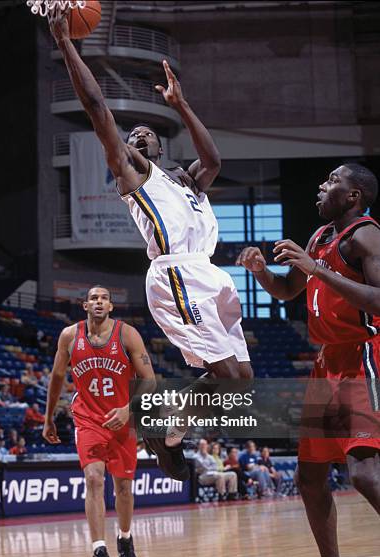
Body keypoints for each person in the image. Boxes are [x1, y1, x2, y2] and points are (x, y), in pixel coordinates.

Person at [48, 9, 252, 481]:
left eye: (147, 133)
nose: (138, 134)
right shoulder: (135, 175)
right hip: (176, 273)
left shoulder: (187, 182)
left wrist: (180, 104)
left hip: (209, 274)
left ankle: (171, 430)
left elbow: (213, 159)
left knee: (242, 386)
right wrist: (66, 44)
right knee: (227, 380)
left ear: (161, 147)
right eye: (132, 135)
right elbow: (99, 110)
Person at [237, 163, 380, 557]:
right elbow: (287, 291)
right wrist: (262, 273)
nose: (322, 186)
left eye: (332, 181)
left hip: (361, 356)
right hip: (325, 365)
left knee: (362, 472)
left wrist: (317, 269)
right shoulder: (320, 238)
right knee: (310, 476)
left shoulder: (367, 235)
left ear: (354, 195)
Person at [43, 286, 155, 557]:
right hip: (88, 418)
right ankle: (99, 553)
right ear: (84, 305)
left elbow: (150, 380)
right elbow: (56, 378)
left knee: (124, 489)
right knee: (93, 479)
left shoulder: (127, 334)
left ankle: (125, 539)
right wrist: (49, 417)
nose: (98, 302)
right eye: (93, 298)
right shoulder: (69, 335)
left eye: (104, 298)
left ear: (111, 306)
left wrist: (127, 409)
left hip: (122, 420)